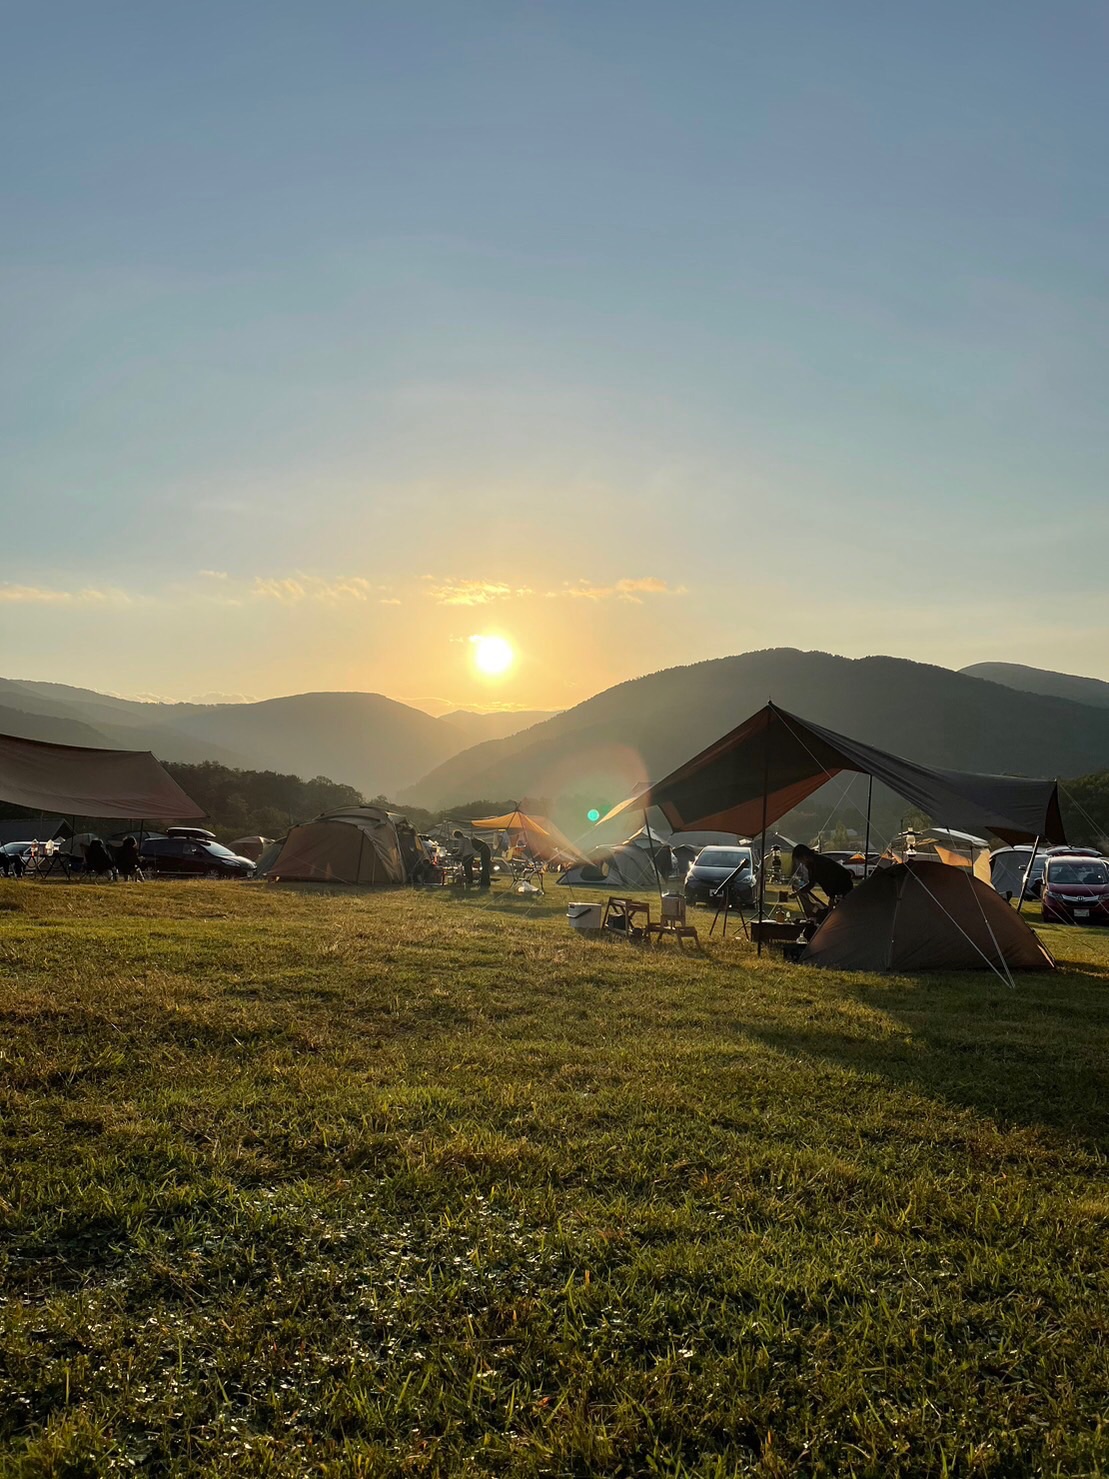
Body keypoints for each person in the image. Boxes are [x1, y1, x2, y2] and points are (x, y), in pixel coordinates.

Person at [790, 843, 854, 919]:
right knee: (833, 913)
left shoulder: (820, 863)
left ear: (804, 857)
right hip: (835, 890)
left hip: (844, 886)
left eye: (800, 860)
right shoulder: (811, 865)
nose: (801, 863)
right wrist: (798, 893)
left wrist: (832, 897)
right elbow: (811, 883)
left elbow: (832, 879)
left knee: (842, 913)